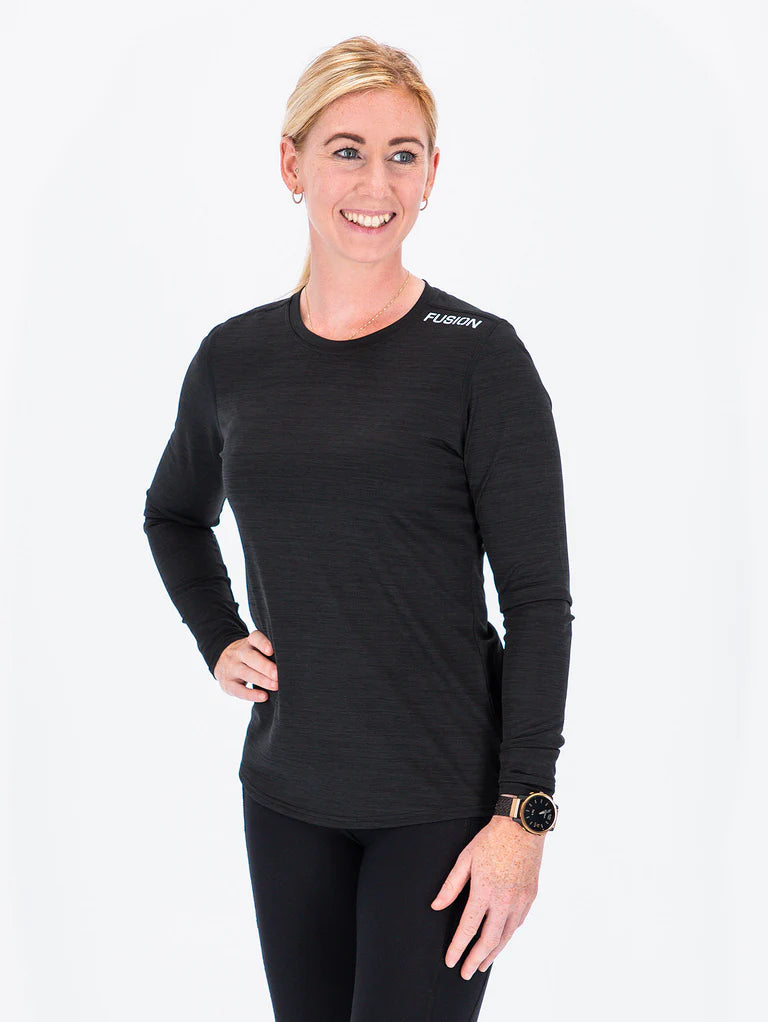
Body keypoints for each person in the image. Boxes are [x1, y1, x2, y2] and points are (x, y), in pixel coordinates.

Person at [143, 34, 574, 1022]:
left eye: (402, 154)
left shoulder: (481, 359)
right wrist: (218, 635)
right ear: (291, 164)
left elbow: (539, 603)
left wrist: (524, 817)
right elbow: (173, 514)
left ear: (432, 174)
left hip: (441, 808)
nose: (375, 183)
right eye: (346, 150)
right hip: (285, 794)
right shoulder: (235, 359)